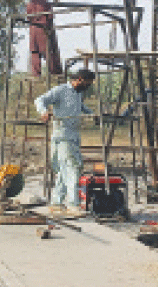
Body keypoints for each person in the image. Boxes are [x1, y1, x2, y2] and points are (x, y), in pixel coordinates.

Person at [34, 68, 96, 211]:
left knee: (64, 170)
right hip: (62, 136)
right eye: (87, 83)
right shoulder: (60, 91)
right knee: (73, 168)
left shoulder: (78, 94)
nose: (88, 86)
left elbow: (80, 107)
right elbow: (40, 99)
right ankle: (74, 205)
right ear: (79, 79)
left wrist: (92, 114)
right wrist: (43, 112)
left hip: (74, 136)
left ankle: (56, 203)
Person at [27, 0, 63, 77]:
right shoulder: (46, 4)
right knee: (49, 52)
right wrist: (50, 31)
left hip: (32, 30)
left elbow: (28, 18)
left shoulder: (29, 5)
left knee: (34, 52)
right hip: (43, 29)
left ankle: (36, 75)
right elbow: (50, 18)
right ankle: (55, 73)